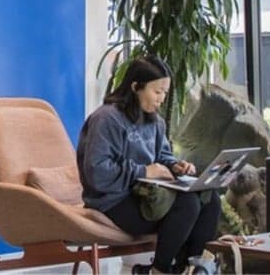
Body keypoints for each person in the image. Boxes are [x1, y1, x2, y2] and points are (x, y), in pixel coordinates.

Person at [77, 57, 222, 274]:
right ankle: (159, 270)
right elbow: (97, 172)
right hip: (112, 201)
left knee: (210, 198)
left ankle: (188, 268)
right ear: (136, 87)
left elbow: (163, 156)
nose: (162, 99)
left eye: (165, 92)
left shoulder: (155, 121)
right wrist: (144, 171)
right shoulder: (107, 119)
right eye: (157, 92)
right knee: (188, 204)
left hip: (146, 194)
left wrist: (175, 167)